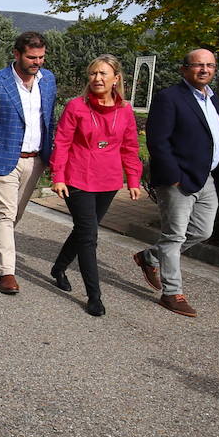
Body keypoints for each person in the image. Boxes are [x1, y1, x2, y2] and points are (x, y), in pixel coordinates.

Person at [134, 48, 219, 317]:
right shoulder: (169, 98)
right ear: (184, 69)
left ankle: (150, 257)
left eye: (210, 65)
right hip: (178, 180)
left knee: (203, 231)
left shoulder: (213, 99)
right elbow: (158, 141)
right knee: (174, 236)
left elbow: (216, 133)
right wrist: (174, 178)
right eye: (198, 65)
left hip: (207, 178)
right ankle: (172, 293)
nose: (204, 70)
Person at [48, 55, 143, 316]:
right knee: (89, 236)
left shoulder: (125, 110)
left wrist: (133, 179)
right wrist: (58, 176)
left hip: (108, 180)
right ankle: (94, 296)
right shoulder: (76, 106)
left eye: (103, 74)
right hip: (77, 177)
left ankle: (58, 267)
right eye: (93, 74)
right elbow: (63, 142)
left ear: (116, 79)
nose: (97, 79)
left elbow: (130, 146)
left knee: (83, 230)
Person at [0, 31, 57, 294]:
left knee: (16, 215)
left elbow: (50, 120)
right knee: (5, 214)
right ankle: (6, 272)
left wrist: (52, 157)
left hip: (35, 160)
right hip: (3, 158)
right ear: (17, 54)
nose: (37, 62)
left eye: (41, 57)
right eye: (32, 57)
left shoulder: (48, 81)